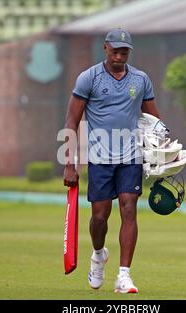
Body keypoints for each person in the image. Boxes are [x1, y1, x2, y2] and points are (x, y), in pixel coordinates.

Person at [63, 28, 160, 294]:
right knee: (99, 217)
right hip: (99, 158)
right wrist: (70, 163)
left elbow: (154, 121)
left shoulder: (140, 79)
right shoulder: (88, 78)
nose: (120, 56)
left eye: (124, 52)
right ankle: (98, 254)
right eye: (115, 50)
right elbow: (72, 120)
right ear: (105, 48)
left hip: (131, 157)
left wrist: (163, 153)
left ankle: (124, 276)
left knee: (129, 209)